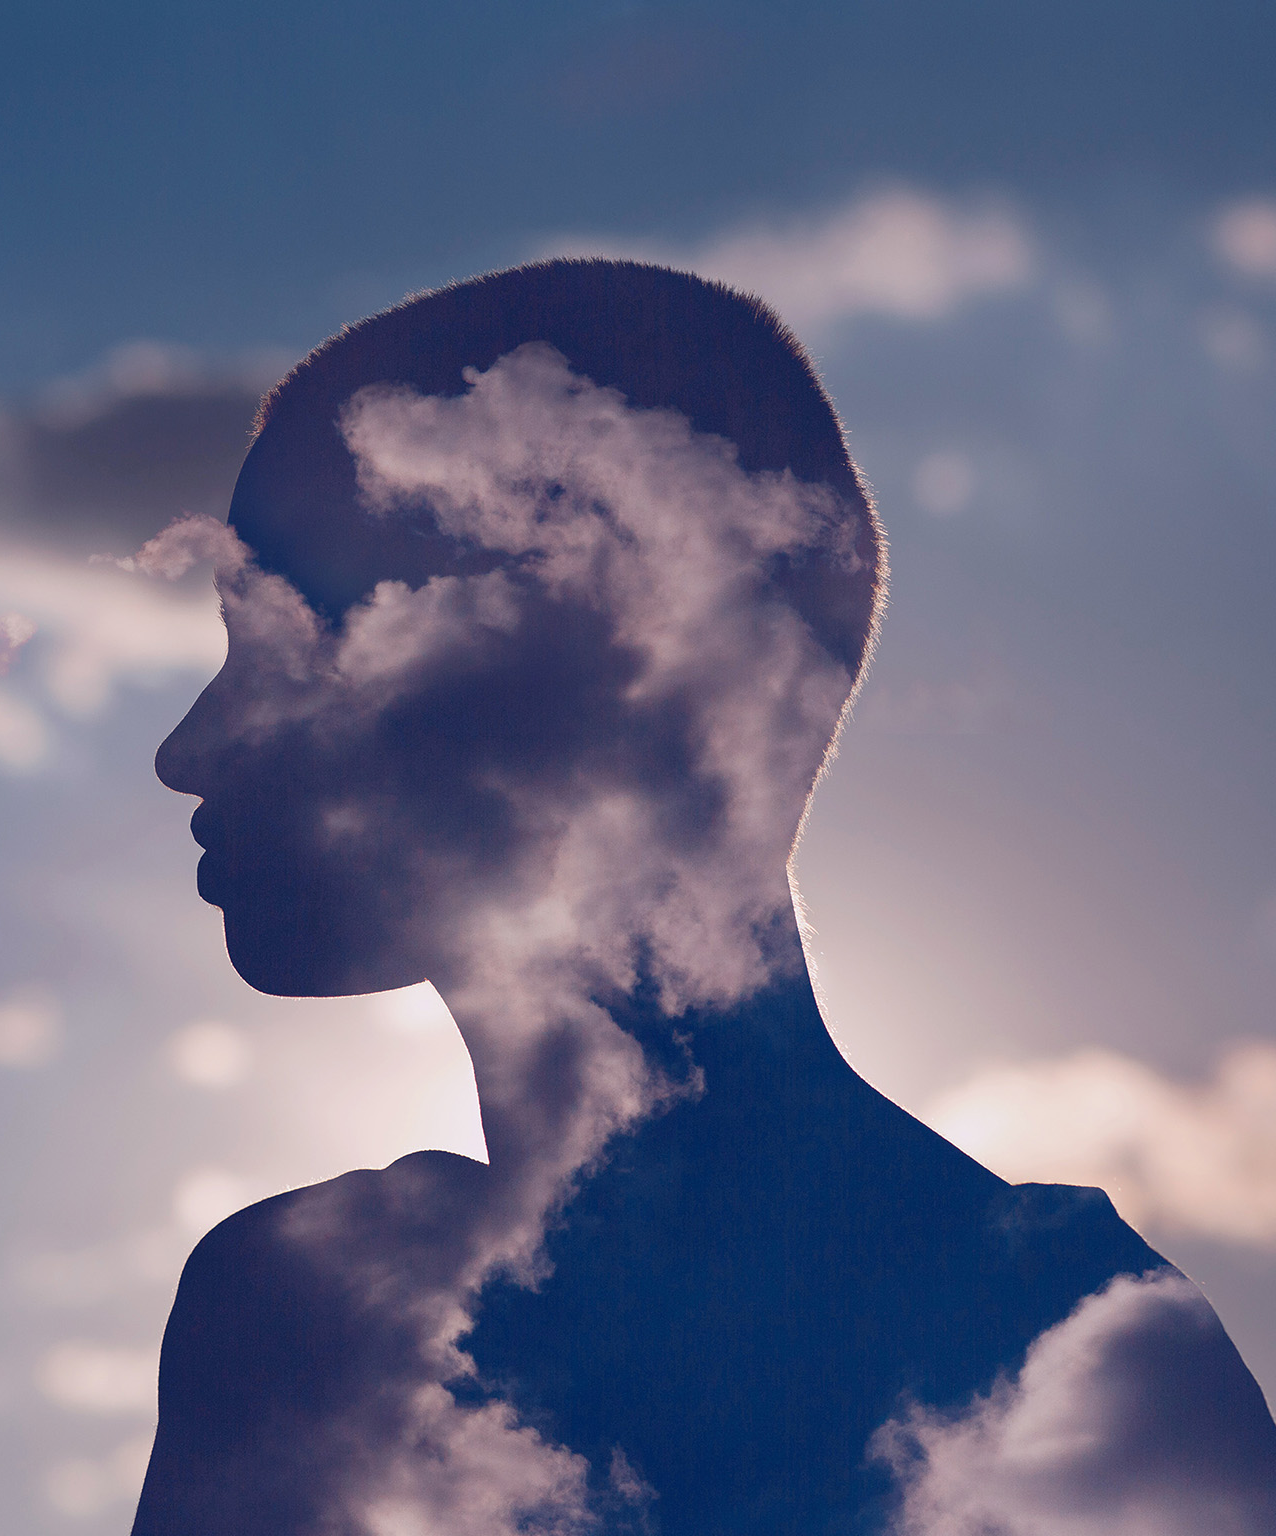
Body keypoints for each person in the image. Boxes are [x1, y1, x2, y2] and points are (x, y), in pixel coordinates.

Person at [132, 260, 1276, 1535]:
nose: (189, 748)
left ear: (601, 654)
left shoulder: (1067, 1349)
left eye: (292, 637)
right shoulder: (1068, 1323)